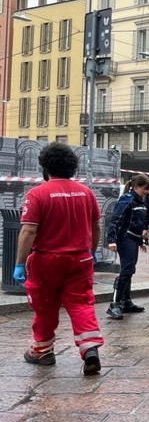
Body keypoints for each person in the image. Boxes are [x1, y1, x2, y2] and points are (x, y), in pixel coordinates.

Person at [13, 143, 104, 375]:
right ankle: (89, 348)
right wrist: (92, 251)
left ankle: (42, 351)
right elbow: (96, 226)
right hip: (80, 259)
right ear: (73, 167)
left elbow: (28, 231)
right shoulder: (87, 193)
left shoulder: (38, 194)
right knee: (82, 303)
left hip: (47, 260)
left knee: (45, 305)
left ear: (45, 166)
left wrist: (20, 263)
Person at [106, 174, 149, 320]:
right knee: (126, 270)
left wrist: (141, 241)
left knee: (130, 269)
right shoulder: (127, 200)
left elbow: (139, 221)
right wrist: (112, 240)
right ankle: (115, 304)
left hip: (133, 239)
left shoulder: (141, 201)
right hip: (125, 239)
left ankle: (126, 302)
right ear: (136, 187)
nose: (148, 192)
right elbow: (115, 220)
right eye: (145, 189)